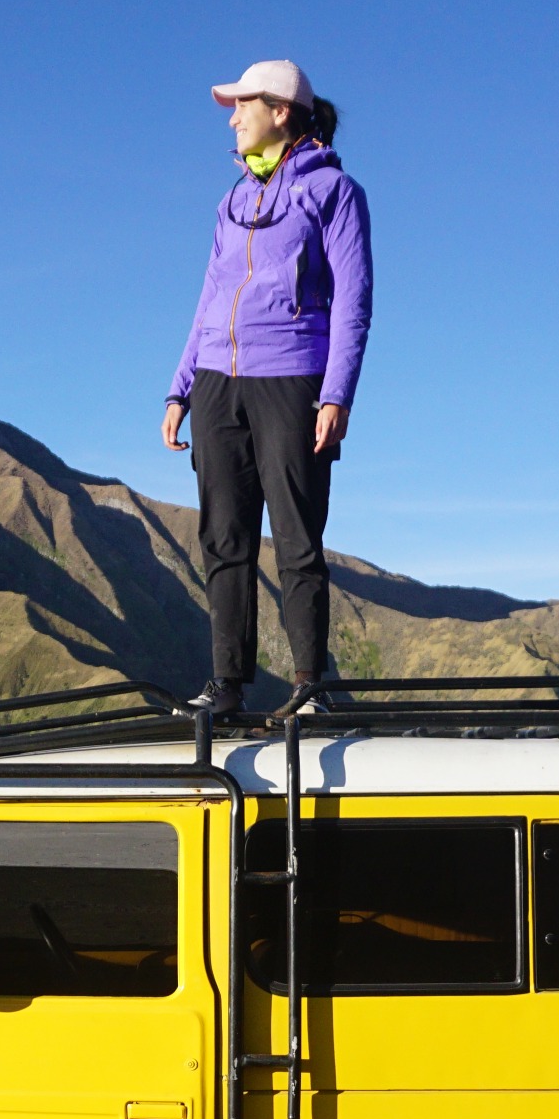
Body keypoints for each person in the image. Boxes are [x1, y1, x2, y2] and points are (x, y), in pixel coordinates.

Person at [162, 59, 372, 715]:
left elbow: (353, 300)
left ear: (280, 111)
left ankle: (311, 686)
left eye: (242, 105)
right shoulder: (231, 202)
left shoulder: (334, 191)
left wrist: (336, 393)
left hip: (291, 377)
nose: (232, 119)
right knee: (223, 538)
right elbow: (208, 299)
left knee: (297, 538)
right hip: (216, 383)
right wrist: (180, 389)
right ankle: (226, 687)